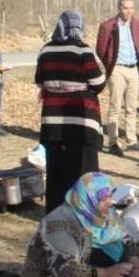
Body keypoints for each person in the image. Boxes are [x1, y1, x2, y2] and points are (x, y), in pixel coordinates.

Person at [21, 172, 139, 277]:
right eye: (103, 198)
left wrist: (134, 261)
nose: (110, 202)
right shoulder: (59, 224)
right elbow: (66, 273)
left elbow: (125, 239)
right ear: (88, 197)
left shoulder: (104, 214)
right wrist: (107, 273)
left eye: (110, 195)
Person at [36, 11, 106, 211]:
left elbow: (39, 80)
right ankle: (84, 211)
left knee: (57, 170)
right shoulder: (82, 50)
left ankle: (57, 211)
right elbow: (98, 82)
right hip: (80, 121)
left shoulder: (46, 50)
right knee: (83, 170)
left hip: (53, 122)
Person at [96, 0, 139, 155]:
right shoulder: (108, 26)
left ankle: (132, 140)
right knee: (115, 107)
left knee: (131, 108)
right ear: (119, 8)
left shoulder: (136, 24)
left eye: (131, 8)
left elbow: (137, 44)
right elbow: (100, 50)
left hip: (133, 68)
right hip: (117, 69)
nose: (129, 11)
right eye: (125, 8)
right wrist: (110, 65)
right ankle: (113, 142)